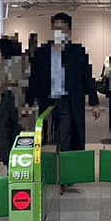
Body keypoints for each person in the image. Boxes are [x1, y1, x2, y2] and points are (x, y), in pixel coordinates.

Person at [26, 13, 102, 156]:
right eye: (56, 29)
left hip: (67, 101)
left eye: (62, 29)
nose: (59, 33)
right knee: (44, 136)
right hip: (47, 101)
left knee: (65, 135)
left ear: (69, 31)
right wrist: (28, 102)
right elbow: (34, 79)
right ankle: (49, 165)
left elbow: (87, 77)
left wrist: (95, 103)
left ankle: (63, 165)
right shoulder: (42, 53)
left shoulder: (77, 52)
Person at [0, 37, 27, 165]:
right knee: (3, 133)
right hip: (2, 102)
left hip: (16, 101)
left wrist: (13, 82)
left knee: (16, 132)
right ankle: (7, 161)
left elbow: (28, 81)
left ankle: (17, 160)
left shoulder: (20, 63)